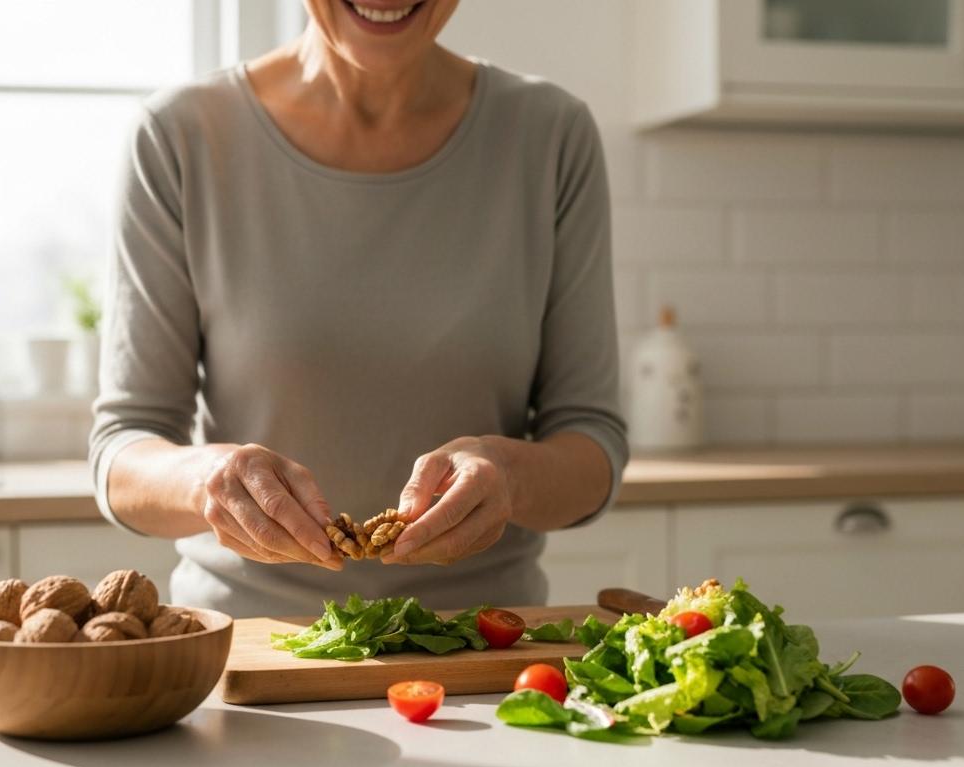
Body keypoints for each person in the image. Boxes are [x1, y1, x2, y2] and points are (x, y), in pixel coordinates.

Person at [89, 0, 627, 617]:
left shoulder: (552, 135)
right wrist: (206, 478)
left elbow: (592, 443)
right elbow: (123, 448)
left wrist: (510, 474)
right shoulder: (179, 134)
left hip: (483, 649)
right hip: (251, 645)